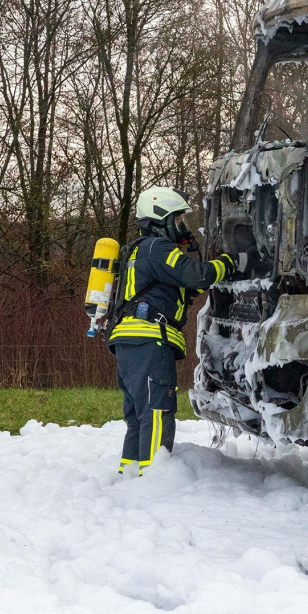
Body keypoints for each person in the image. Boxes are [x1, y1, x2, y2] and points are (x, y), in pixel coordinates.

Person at [108, 187, 246, 475]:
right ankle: (153, 479)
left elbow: (185, 284)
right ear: (161, 219)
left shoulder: (136, 251)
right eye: (179, 220)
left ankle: (130, 472)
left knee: (138, 415)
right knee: (157, 410)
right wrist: (229, 263)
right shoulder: (157, 248)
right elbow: (196, 275)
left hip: (129, 341)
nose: (183, 226)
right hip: (148, 340)